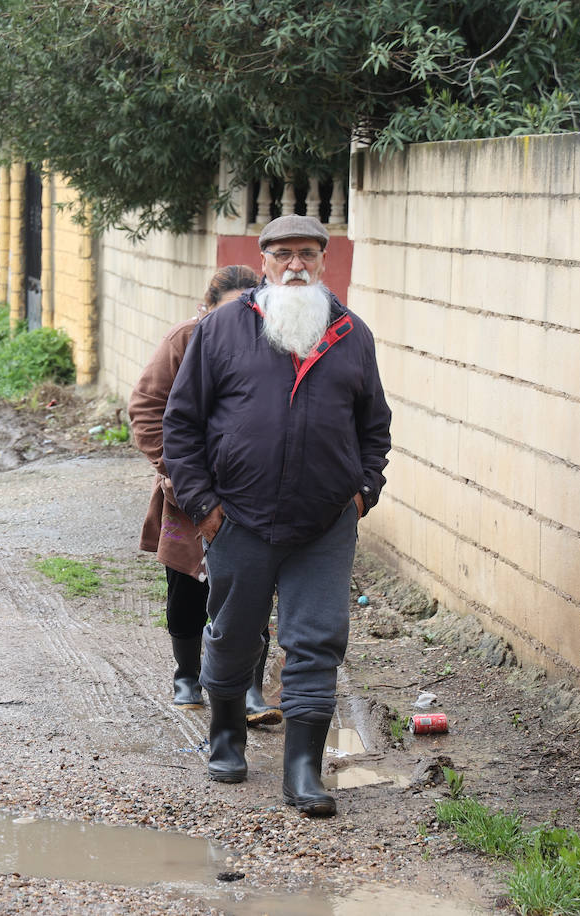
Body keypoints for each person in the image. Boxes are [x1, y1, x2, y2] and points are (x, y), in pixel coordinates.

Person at [163, 214, 392, 816]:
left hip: (324, 524)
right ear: (263, 260)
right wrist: (205, 507)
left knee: (317, 642)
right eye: (284, 254)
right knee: (236, 636)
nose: (296, 265)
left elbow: (375, 426)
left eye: (308, 255)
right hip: (238, 518)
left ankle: (303, 770)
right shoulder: (223, 331)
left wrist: (364, 490)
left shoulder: (350, 333)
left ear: (323, 261)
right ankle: (227, 735)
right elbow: (181, 425)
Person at [128, 265, 280, 726]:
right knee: (188, 585)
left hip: (252, 495)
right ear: (206, 309)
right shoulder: (185, 340)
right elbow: (146, 409)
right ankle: (187, 675)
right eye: (227, 310)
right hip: (189, 490)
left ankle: (250, 687)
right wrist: (174, 471)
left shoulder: (274, 342)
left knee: (252, 589)